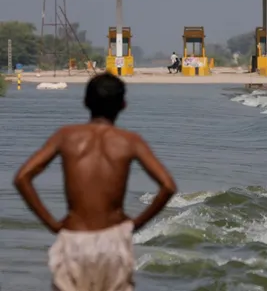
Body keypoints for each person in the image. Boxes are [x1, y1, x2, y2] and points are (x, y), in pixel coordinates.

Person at [13, 72, 177, 291]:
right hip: (114, 238)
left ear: (85, 102)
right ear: (124, 105)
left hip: (74, 237)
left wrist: (51, 223)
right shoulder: (130, 141)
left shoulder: (66, 136)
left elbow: (23, 177)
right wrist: (136, 224)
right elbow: (168, 186)